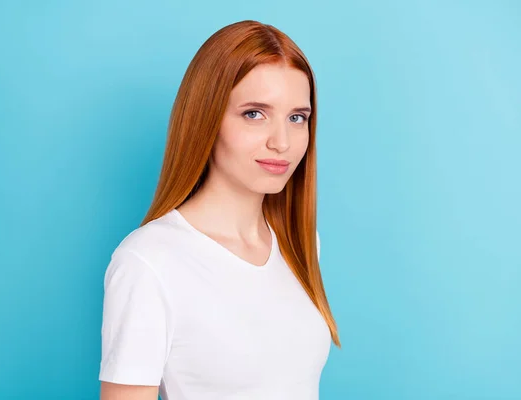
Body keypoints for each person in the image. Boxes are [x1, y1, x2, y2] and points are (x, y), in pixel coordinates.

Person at [98, 19, 341, 400]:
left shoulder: (300, 243)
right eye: (254, 113)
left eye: (297, 117)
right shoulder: (148, 262)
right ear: (206, 119)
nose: (282, 142)